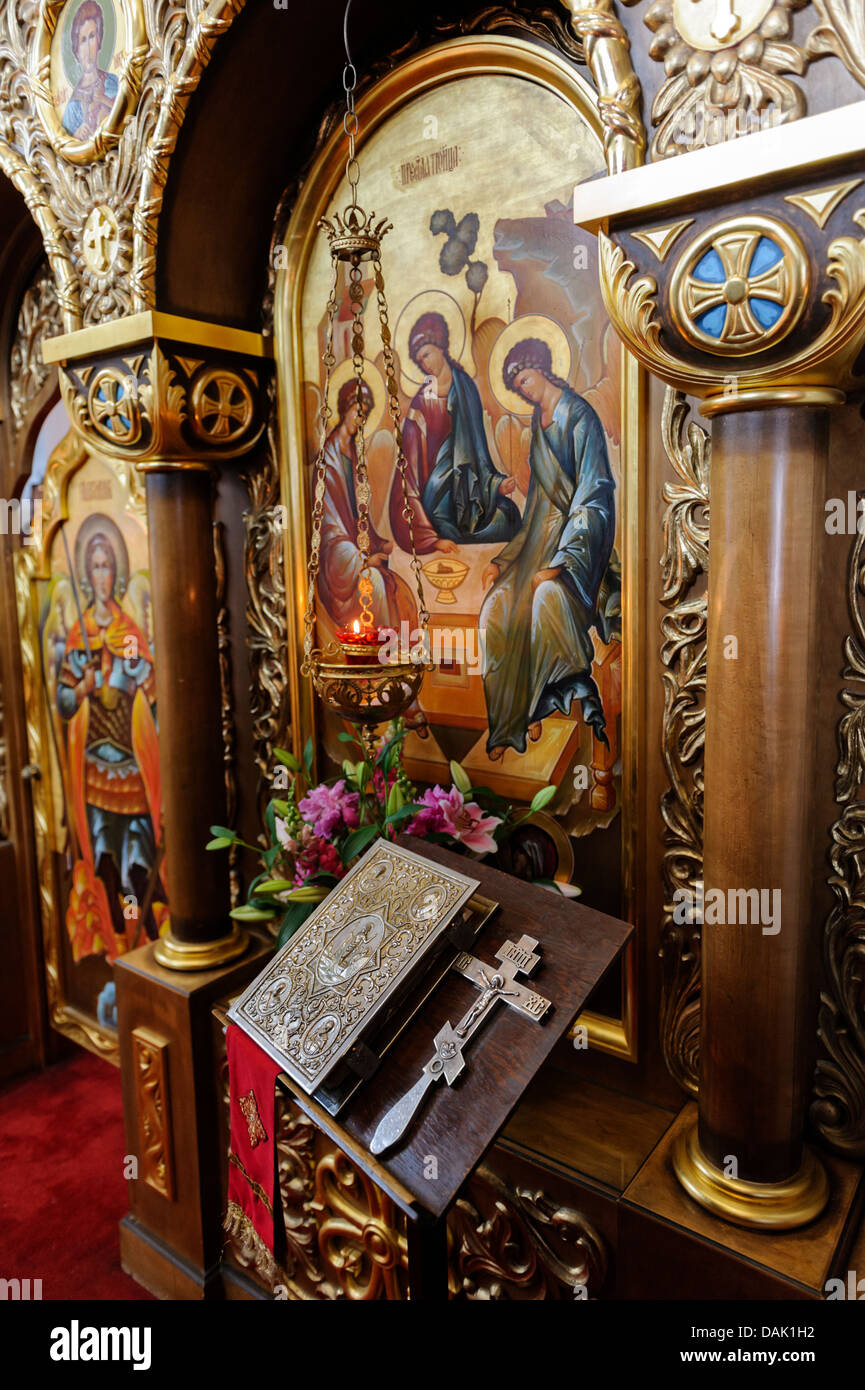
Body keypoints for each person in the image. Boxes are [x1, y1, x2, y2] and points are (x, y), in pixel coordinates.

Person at [479, 338, 615, 759]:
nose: (525, 390)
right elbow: (538, 503)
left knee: (545, 599)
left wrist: (561, 563)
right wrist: (505, 560)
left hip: (580, 552)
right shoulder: (539, 425)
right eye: (519, 387)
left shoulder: (580, 417)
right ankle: (506, 724)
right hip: (539, 541)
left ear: (542, 369)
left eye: (527, 380)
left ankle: (537, 707)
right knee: (496, 609)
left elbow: (595, 496)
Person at [57, 532, 164, 954]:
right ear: (87, 574)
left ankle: (146, 929)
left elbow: (152, 690)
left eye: (107, 566)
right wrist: (81, 688)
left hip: (130, 761)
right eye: (95, 566)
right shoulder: (77, 635)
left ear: (115, 573)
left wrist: (140, 672)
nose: (102, 575)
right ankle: (120, 934)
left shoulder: (127, 630)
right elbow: (65, 702)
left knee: (137, 853)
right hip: (93, 761)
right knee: (105, 853)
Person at [389, 311, 519, 554]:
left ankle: (465, 529)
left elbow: (479, 452)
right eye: (420, 361)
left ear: (440, 347)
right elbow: (409, 467)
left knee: (509, 517)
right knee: (444, 526)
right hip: (438, 496)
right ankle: (445, 533)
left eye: (426, 354)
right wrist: (426, 534)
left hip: (471, 491)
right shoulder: (422, 401)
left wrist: (496, 485)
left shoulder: (466, 388)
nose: (425, 364)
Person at [318, 378, 417, 636]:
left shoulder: (352, 452)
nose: (360, 420)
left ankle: (395, 653)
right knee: (374, 582)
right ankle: (380, 654)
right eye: (358, 413)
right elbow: (331, 530)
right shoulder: (329, 457)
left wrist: (379, 543)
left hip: (353, 550)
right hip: (338, 562)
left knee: (397, 582)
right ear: (345, 408)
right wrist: (362, 561)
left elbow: (357, 517)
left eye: (365, 416)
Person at [62, 1, 118, 140]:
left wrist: (103, 100)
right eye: (83, 40)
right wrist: (76, 136)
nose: (87, 47)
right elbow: (68, 146)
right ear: (76, 50)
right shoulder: (72, 108)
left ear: (99, 40)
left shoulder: (114, 82)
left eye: (92, 36)